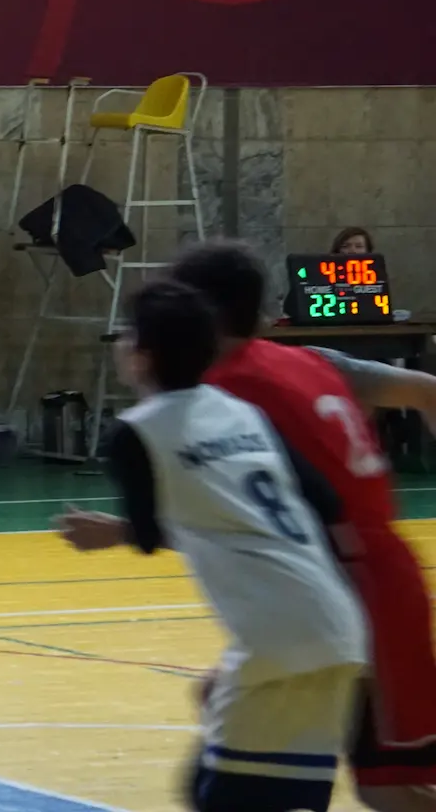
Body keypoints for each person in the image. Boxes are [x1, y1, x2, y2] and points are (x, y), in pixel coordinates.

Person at [57, 280, 367, 812]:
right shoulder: (244, 412)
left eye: (128, 333)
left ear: (142, 355)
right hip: (338, 625)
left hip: (276, 636)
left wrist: (115, 532)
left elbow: (148, 535)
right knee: (283, 792)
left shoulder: (135, 433)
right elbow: (324, 501)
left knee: (218, 795)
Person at [169, 243, 436, 809]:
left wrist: (127, 529)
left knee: (389, 790)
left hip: (356, 586)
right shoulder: (312, 359)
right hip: (363, 580)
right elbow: (426, 390)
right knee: (225, 700)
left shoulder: (223, 393)